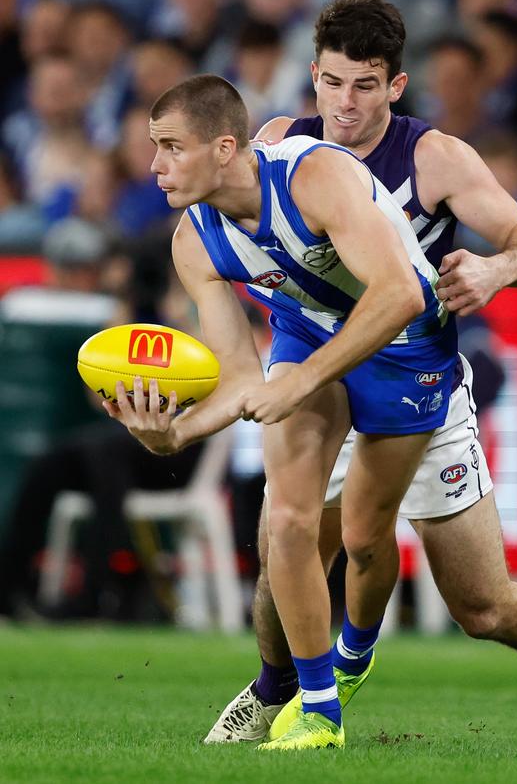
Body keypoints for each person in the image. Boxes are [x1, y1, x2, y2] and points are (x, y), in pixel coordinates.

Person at [207, 0, 517, 747]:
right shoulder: (281, 142)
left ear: (396, 86)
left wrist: (493, 271)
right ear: (313, 75)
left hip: (420, 384)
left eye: (366, 85)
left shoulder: (433, 156)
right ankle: (278, 690)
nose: (346, 103)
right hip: (322, 374)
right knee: (288, 545)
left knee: (482, 606)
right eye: (334, 82)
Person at [105, 72, 461, 751]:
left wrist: (298, 382)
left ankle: (356, 651)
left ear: (223, 147)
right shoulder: (193, 241)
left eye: (171, 147)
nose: (154, 166)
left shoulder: (315, 174)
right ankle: (319, 710)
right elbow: (240, 374)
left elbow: (399, 296)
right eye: (154, 148)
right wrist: (171, 433)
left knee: (364, 536)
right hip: (308, 334)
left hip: (406, 346)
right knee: (287, 523)